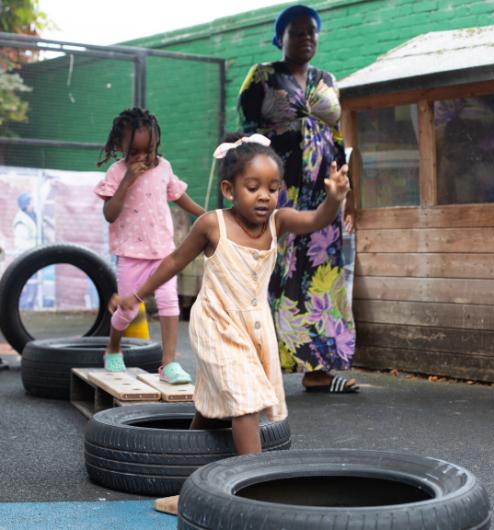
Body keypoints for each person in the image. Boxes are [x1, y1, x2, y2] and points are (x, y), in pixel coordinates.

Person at [110, 133, 350, 454]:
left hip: (254, 326)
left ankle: (182, 461)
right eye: (253, 188)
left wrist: (333, 199)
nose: (264, 196)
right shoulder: (212, 225)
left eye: (273, 188)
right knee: (246, 400)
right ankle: (254, 481)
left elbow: (315, 219)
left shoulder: (278, 222)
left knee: (213, 409)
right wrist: (136, 296)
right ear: (229, 190)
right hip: (216, 323)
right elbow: (174, 261)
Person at [238, 4, 358, 393]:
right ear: (281, 38)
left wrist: (344, 191)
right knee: (274, 271)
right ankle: (260, 363)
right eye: (297, 32)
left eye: (312, 32)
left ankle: (318, 369)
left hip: (321, 193)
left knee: (323, 278)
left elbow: (337, 137)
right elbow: (247, 133)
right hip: (279, 190)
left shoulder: (328, 79)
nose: (306, 38)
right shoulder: (263, 75)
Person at [94, 107, 205, 382]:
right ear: (120, 147)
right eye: (134, 152)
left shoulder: (164, 167)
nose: (143, 157)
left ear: (156, 144)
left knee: (169, 303)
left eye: (149, 150)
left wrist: (206, 215)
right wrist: (127, 181)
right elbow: (110, 214)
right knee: (127, 310)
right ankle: (113, 346)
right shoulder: (117, 172)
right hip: (130, 253)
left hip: (162, 251)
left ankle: (168, 363)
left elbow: (180, 196)